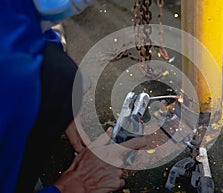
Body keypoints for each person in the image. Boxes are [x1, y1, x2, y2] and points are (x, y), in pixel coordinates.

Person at [0, 1, 147, 193]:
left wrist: (59, 100)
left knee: (57, 74)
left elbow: (20, 24)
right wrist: (75, 184)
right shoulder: (14, 74)